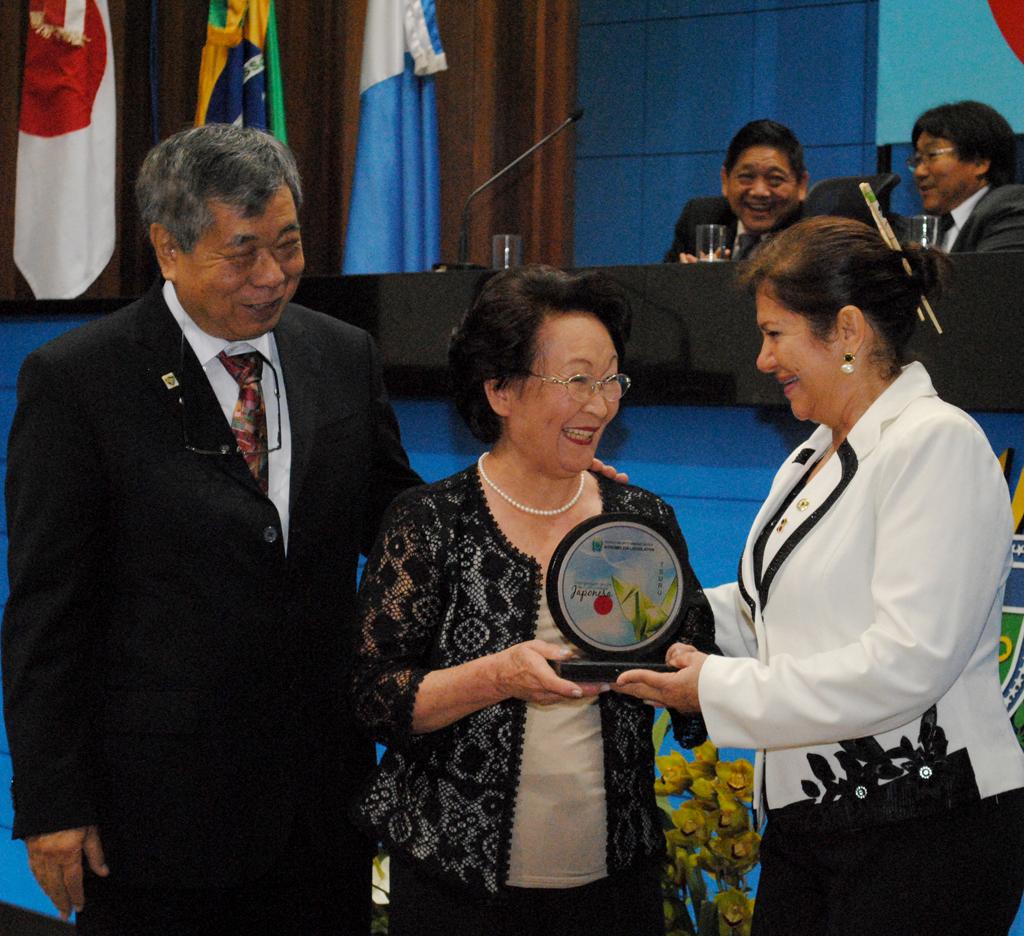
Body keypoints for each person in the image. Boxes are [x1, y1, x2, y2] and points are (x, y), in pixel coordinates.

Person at [1, 124, 425, 935]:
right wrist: (52, 803)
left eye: (289, 245)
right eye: (242, 253)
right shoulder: (78, 381)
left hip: (318, 805)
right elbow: (45, 614)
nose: (272, 276)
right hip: (157, 819)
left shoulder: (341, 354)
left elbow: (398, 518)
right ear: (167, 246)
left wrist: (530, 497)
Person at [620, 216, 1024, 934]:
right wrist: (647, 614)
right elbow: (763, 613)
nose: (763, 357)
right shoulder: (811, 455)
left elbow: (907, 662)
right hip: (814, 825)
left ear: (845, 331)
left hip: (925, 833)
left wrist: (711, 686)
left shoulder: (937, 443)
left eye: (775, 334)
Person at [348, 265, 715, 936]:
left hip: (615, 888)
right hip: (457, 891)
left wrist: (691, 681)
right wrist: (497, 678)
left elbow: (696, 662)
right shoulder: (431, 522)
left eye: (611, 380)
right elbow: (375, 696)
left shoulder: (640, 522)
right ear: (500, 390)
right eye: (577, 381)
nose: (601, 406)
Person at [664, 119, 808, 263]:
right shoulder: (700, 218)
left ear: (801, 185)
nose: (759, 191)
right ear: (725, 180)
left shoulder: (815, 236)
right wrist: (685, 278)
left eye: (775, 179)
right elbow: (660, 284)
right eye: (746, 177)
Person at [906, 100, 1024, 252]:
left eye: (932, 155)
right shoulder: (934, 226)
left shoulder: (1012, 209)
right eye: (918, 159)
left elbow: (989, 275)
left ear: (979, 162)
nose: (919, 172)